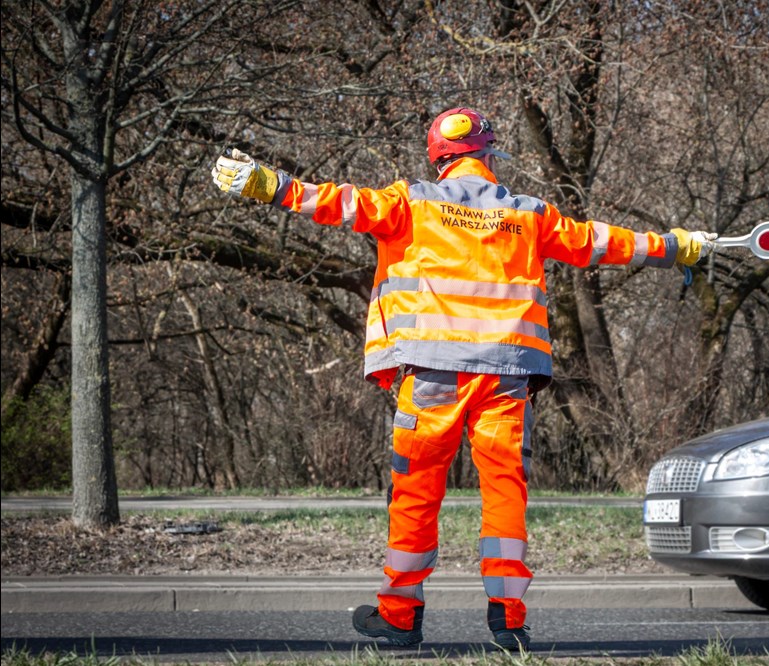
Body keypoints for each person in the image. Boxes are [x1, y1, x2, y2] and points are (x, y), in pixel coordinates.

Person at [211, 107, 716, 650]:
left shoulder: (413, 203)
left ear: (440, 159)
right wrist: (674, 246)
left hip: (434, 376)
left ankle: (400, 617)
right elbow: (599, 241)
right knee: (505, 493)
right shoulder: (528, 214)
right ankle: (509, 621)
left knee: (415, 493)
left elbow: (339, 202)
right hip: (507, 380)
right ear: (489, 156)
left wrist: (269, 184)